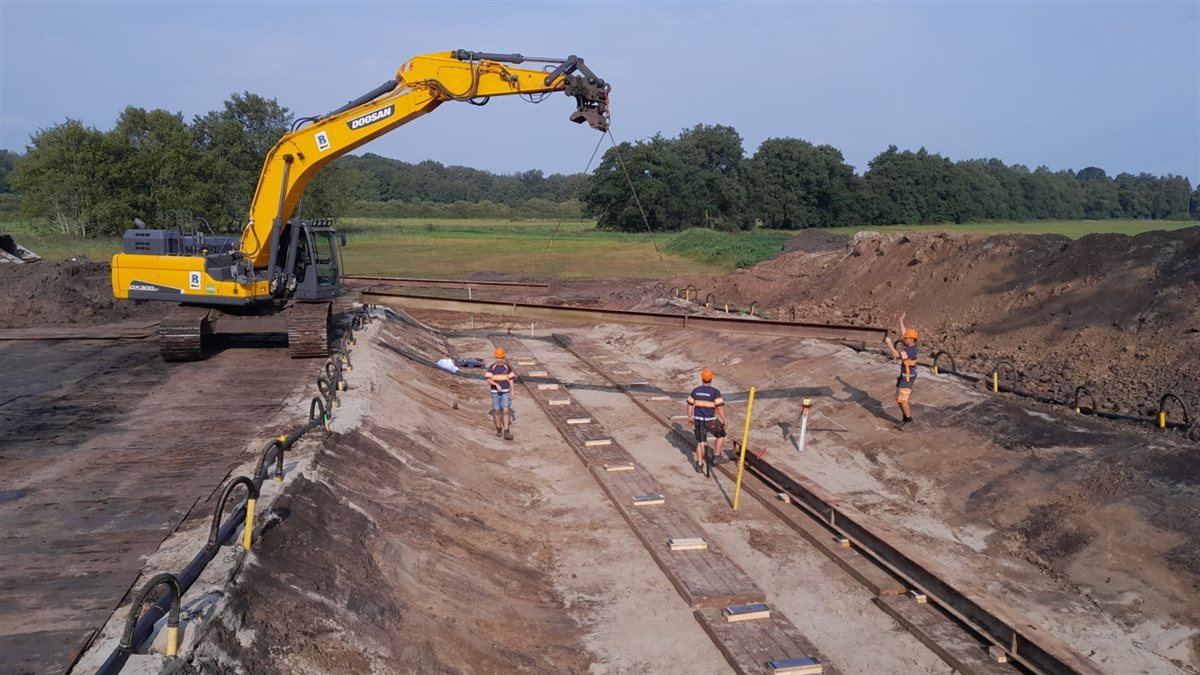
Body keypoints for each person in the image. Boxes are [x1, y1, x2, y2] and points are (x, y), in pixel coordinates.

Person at [686, 368, 727, 474]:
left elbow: (690, 405)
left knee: (701, 442)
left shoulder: (695, 391)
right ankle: (717, 456)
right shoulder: (715, 392)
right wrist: (724, 419)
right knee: (721, 434)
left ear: (702, 378)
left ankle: (699, 465)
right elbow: (719, 408)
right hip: (711, 421)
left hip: (699, 421)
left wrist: (690, 417)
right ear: (711, 379)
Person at [884, 313, 919, 429]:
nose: (904, 338)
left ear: (912, 340)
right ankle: (905, 418)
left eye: (906, 338)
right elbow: (905, 333)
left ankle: (909, 420)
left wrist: (889, 343)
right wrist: (901, 321)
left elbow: (895, 354)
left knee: (903, 400)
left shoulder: (911, 351)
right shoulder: (911, 345)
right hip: (903, 376)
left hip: (908, 377)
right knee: (899, 399)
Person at [486, 347, 516, 440]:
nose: (499, 360)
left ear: (503, 357)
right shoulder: (492, 367)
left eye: (500, 358)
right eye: (497, 358)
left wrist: (512, 390)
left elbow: (510, 379)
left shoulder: (507, 367)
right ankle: (499, 428)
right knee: (497, 411)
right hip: (495, 392)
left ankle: (506, 431)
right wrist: (496, 385)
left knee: (506, 410)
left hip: (505, 392)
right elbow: (488, 379)